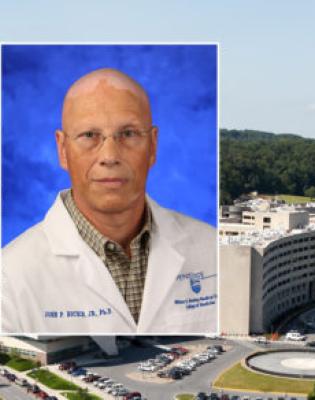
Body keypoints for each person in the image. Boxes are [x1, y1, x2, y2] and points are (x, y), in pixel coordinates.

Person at [1, 68, 217, 334]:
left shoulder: (213, 250)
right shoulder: (9, 277)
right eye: (90, 135)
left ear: (153, 146)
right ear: (62, 150)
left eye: (128, 134)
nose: (110, 156)